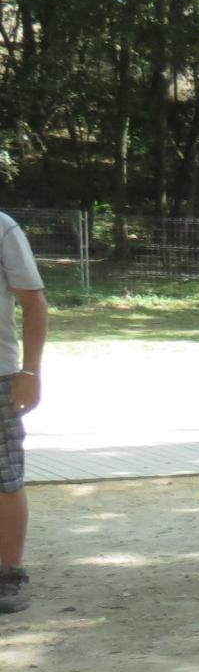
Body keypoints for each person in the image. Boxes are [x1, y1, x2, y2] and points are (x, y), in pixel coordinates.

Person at [0, 209, 48, 613]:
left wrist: (29, 371)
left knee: (4, 478)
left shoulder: (2, 228)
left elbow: (33, 303)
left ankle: (8, 573)